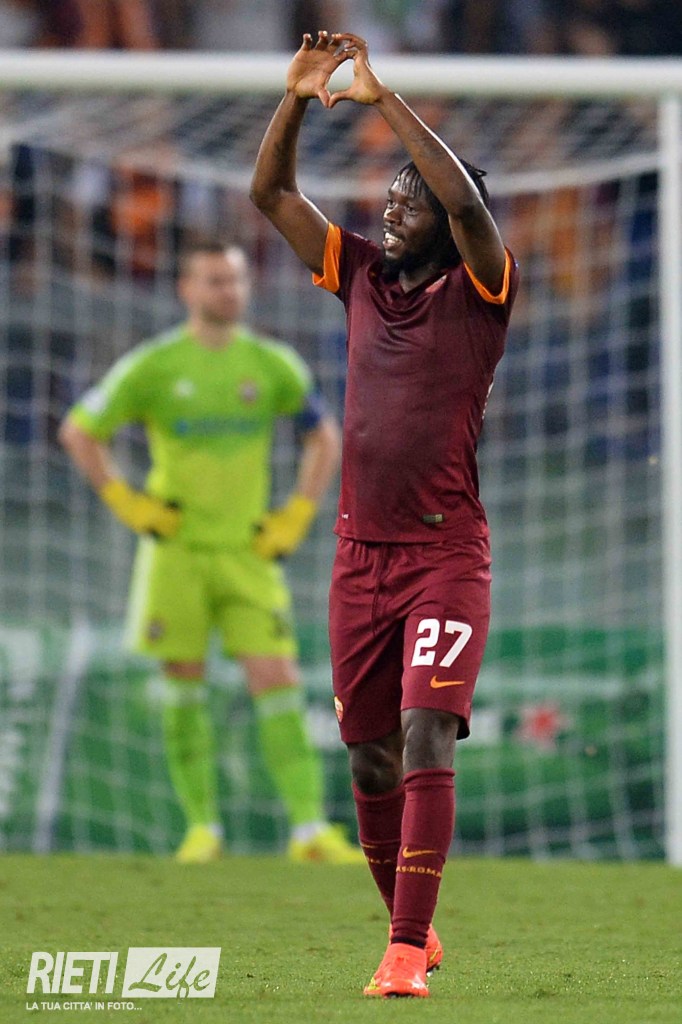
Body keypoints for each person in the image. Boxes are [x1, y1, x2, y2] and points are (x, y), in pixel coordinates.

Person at [251, 31, 519, 997]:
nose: (393, 208)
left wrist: (382, 99)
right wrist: (295, 98)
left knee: (425, 733)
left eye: (411, 199)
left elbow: (466, 203)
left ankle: (404, 953)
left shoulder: (483, 289)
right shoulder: (359, 273)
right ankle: (417, 931)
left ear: (448, 222)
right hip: (358, 558)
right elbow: (272, 196)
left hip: (446, 557)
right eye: (390, 197)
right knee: (369, 761)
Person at [59, 239, 363, 865]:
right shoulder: (154, 365)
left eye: (236, 280)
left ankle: (308, 830)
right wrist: (129, 504)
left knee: (277, 679)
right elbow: (79, 431)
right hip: (176, 553)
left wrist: (297, 513)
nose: (229, 291)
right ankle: (202, 829)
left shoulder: (272, 364)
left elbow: (324, 438)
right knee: (182, 686)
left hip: (249, 552)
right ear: (187, 289)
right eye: (215, 281)